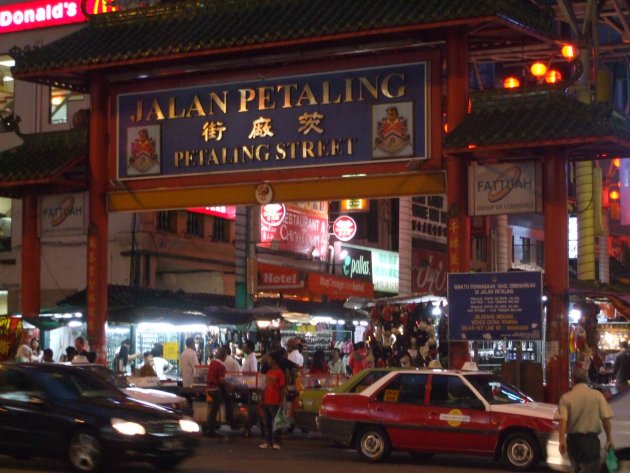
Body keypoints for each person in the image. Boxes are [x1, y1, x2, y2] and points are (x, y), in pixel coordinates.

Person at [557, 367, 614, 473]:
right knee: (591, 469)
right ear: (587, 379)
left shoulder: (566, 398)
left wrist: (562, 441)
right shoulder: (597, 395)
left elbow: (562, 421)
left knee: (575, 469)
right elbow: (606, 419)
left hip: (573, 441)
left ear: (573, 380)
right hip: (591, 442)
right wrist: (609, 438)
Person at [259, 351, 286, 450]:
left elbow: (282, 388)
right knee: (267, 422)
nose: (268, 361)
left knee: (276, 423)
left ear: (274, 360)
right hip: (267, 400)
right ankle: (268, 441)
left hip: (275, 401)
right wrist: (262, 398)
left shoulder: (280, 373)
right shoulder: (269, 372)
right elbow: (266, 387)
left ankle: (276, 442)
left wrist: (281, 401)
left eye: (269, 359)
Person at [206, 347, 233, 437]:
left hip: (209, 388)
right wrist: (229, 385)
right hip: (215, 389)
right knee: (217, 407)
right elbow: (221, 380)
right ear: (224, 356)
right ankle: (228, 419)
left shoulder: (213, 363)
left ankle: (211, 428)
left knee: (214, 408)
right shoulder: (221, 366)